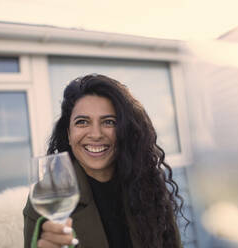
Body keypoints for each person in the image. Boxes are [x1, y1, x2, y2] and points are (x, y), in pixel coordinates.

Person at [23, 74, 184, 248]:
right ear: (69, 134)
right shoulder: (47, 199)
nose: (96, 134)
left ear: (124, 131)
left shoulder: (148, 185)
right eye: (82, 122)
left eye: (108, 122)